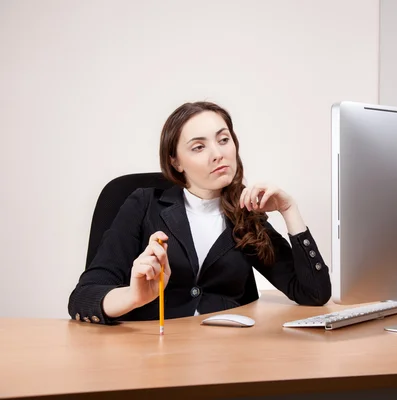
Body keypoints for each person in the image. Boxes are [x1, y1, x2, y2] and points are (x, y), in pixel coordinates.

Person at [68, 101, 331, 324]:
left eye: (224, 140)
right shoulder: (143, 205)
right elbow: (83, 298)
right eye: (198, 147)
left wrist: (289, 210)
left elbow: (313, 293)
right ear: (175, 161)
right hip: (153, 356)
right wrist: (133, 296)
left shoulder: (245, 213)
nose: (218, 154)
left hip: (227, 357)